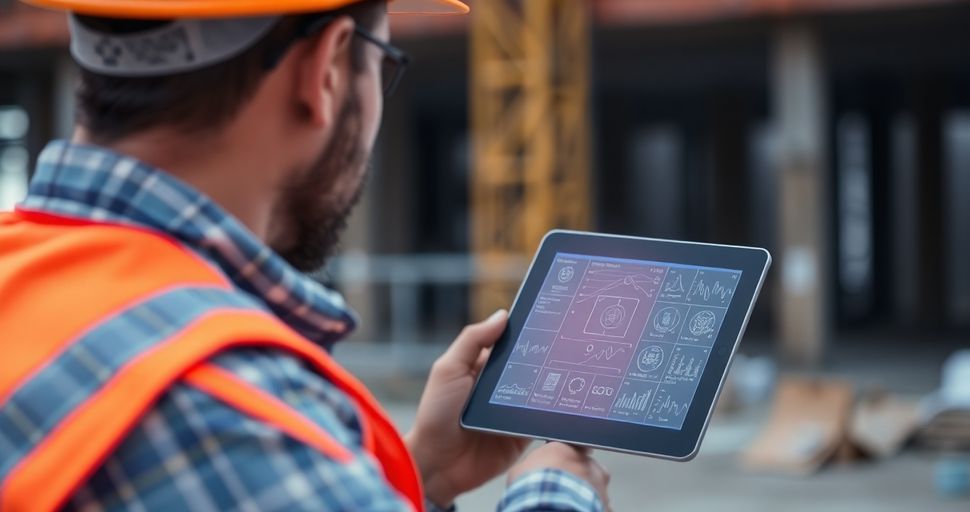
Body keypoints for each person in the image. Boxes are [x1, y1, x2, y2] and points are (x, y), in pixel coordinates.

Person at [0, 0, 612, 510]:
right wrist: (554, 491)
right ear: (326, 72)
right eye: (381, 65)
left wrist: (420, 475)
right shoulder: (222, 410)